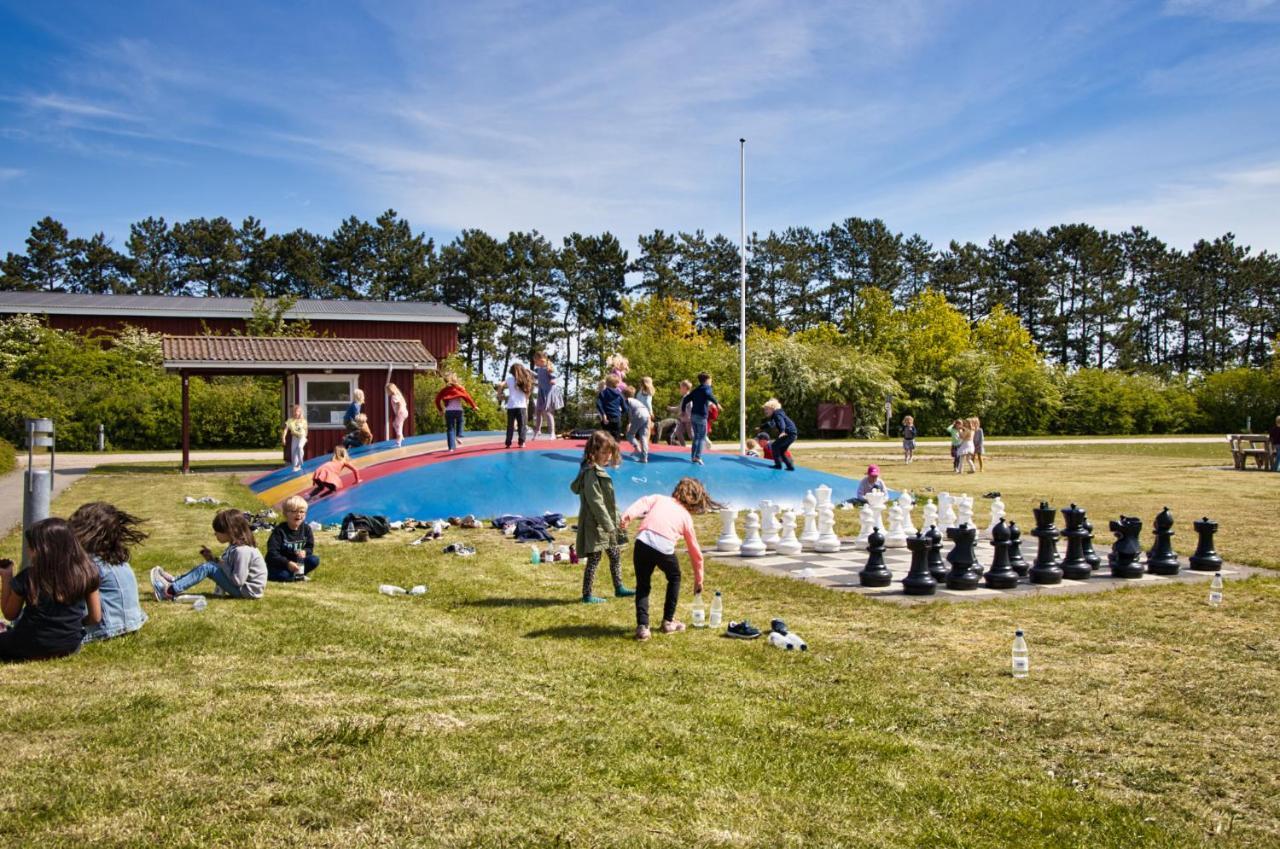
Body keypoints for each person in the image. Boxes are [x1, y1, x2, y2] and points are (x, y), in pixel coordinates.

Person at [620, 478, 718, 641]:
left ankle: (643, 627)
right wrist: (698, 580)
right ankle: (668, 621)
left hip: (642, 541)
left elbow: (642, 502)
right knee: (675, 577)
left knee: (643, 585)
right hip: (663, 546)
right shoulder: (686, 517)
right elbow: (695, 553)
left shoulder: (660, 498)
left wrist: (627, 516)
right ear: (695, 500)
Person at [0, 518, 101, 662]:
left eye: (30, 547)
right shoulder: (87, 573)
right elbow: (96, 617)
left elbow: (9, 614)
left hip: (27, 646)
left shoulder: (29, 576)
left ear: (43, 550)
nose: (28, 551)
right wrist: (74, 625)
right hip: (70, 645)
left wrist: (6, 577)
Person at [68, 502, 148, 644]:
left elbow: (91, 615)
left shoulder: (92, 565)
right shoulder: (117, 560)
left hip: (108, 627)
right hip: (131, 622)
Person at [569, 431, 634, 603]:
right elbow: (596, 502)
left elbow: (609, 502)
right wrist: (608, 525)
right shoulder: (591, 473)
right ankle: (587, 595)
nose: (608, 456)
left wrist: (618, 518)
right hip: (595, 524)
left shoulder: (598, 470)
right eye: (604, 452)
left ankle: (619, 587)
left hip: (605, 523)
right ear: (594, 451)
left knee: (615, 554)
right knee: (594, 558)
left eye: (610, 452)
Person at [150, 509, 266, 602]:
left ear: (230, 531)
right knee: (209, 565)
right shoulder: (236, 547)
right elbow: (227, 567)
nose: (214, 533)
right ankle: (175, 581)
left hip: (247, 592)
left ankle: (168, 591)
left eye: (217, 531)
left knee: (208, 567)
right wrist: (213, 559)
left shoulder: (243, 551)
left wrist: (220, 563)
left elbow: (238, 581)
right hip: (244, 589)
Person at [266, 496, 319, 582]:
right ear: (286, 513)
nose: (298, 514)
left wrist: (305, 552)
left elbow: (309, 547)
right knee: (284, 575)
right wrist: (287, 563)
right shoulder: (280, 531)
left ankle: (298, 574)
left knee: (314, 560)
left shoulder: (306, 529)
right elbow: (272, 553)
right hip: (279, 564)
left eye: (302, 512)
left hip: (297, 563)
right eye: (294, 511)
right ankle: (291, 575)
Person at [433, 372, 479, 452]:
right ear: (455, 380)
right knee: (460, 422)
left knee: (450, 429)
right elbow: (467, 397)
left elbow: (437, 400)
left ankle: (451, 448)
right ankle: (459, 435)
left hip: (449, 412)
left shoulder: (444, 390)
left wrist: (440, 410)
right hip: (458, 411)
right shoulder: (459, 388)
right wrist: (474, 406)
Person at [681, 373, 719, 465]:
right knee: (701, 437)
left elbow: (686, 399)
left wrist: (683, 410)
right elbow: (708, 394)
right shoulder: (706, 388)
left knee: (696, 437)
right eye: (710, 380)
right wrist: (717, 403)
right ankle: (698, 457)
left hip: (693, 416)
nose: (711, 382)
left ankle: (693, 456)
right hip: (701, 416)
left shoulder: (696, 390)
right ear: (707, 381)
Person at [500, 363, 534, 448]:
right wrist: (526, 399)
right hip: (521, 406)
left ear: (511, 371)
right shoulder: (525, 379)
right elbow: (528, 392)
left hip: (511, 406)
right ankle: (521, 442)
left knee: (510, 425)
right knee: (522, 425)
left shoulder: (509, 379)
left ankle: (508, 443)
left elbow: (500, 385)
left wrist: (499, 394)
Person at [759, 398, 798, 471]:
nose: (765, 411)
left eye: (766, 409)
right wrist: (761, 427)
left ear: (772, 408)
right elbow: (771, 424)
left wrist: (782, 431)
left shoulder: (777, 413)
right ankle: (790, 466)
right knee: (781, 450)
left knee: (774, 446)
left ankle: (778, 465)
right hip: (792, 434)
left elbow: (781, 422)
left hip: (788, 433)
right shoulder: (777, 414)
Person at [532, 352, 561, 440]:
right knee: (538, 412)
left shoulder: (548, 368)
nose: (534, 363)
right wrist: (529, 372)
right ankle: (537, 431)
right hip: (541, 392)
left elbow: (554, 377)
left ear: (541, 360)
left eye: (535, 361)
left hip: (549, 392)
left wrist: (553, 380)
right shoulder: (539, 369)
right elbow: (538, 377)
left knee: (548, 412)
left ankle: (552, 433)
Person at [623, 385, 651, 462]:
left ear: (623, 395)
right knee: (643, 437)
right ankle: (644, 457)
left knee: (629, 435)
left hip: (639, 415)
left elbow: (629, 413)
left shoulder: (627, 400)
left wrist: (630, 424)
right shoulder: (636, 401)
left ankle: (636, 446)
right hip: (646, 414)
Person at [597, 373, 625, 442]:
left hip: (606, 418)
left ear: (606, 383)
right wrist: (620, 413)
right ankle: (615, 451)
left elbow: (598, 404)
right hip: (616, 418)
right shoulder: (619, 395)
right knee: (616, 438)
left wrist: (603, 414)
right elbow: (625, 407)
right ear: (617, 384)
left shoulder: (603, 393)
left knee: (606, 438)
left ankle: (606, 451)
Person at [282, 404, 308, 471]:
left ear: (300, 413)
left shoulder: (303, 420)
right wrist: (283, 438)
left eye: (298, 412)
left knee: (299, 447)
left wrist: (305, 437)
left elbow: (306, 429)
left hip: (302, 436)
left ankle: (300, 461)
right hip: (294, 437)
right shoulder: (290, 420)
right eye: (295, 412)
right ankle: (295, 466)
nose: (296, 413)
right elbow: (286, 430)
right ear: (293, 412)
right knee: (294, 453)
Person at [387, 383, 409, 447]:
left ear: (390, 390)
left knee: (399, 426)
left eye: (387, 391)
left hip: (401, 413)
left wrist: (398, 412)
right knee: (394, 424)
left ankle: (398, 443)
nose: (387, 392)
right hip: (404, 412)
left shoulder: (394, 396)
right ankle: (401, 436)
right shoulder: (398, 395)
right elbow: (403, 404)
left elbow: (399, 404)